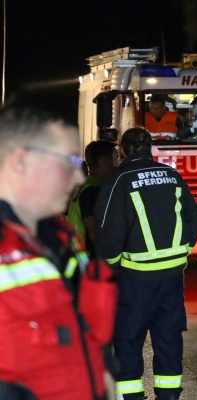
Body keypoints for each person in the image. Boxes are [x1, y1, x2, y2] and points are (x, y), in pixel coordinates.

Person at [0, 106, 117, 399]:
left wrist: (101, 374)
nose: (78, 178)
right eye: (67, 162)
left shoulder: (59, 237)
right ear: (21, 161)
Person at [94, 127, 197, 400]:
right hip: (172, 277)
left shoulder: (119, 180)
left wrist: (111, 266)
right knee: (168, 339)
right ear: (151, 147)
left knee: (128, 341)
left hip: (134, 279)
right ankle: (168, 395)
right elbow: (194, 219)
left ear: (123, 150)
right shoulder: (173, 176)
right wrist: (182, 252)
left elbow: (108, 230)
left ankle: (130, 396)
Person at [66, 140, 118, 256]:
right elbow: (95, 233)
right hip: (89, 258)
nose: (117, 164)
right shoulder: (94, 191)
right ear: (104, 161)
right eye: (115, 159)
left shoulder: (84, 186)